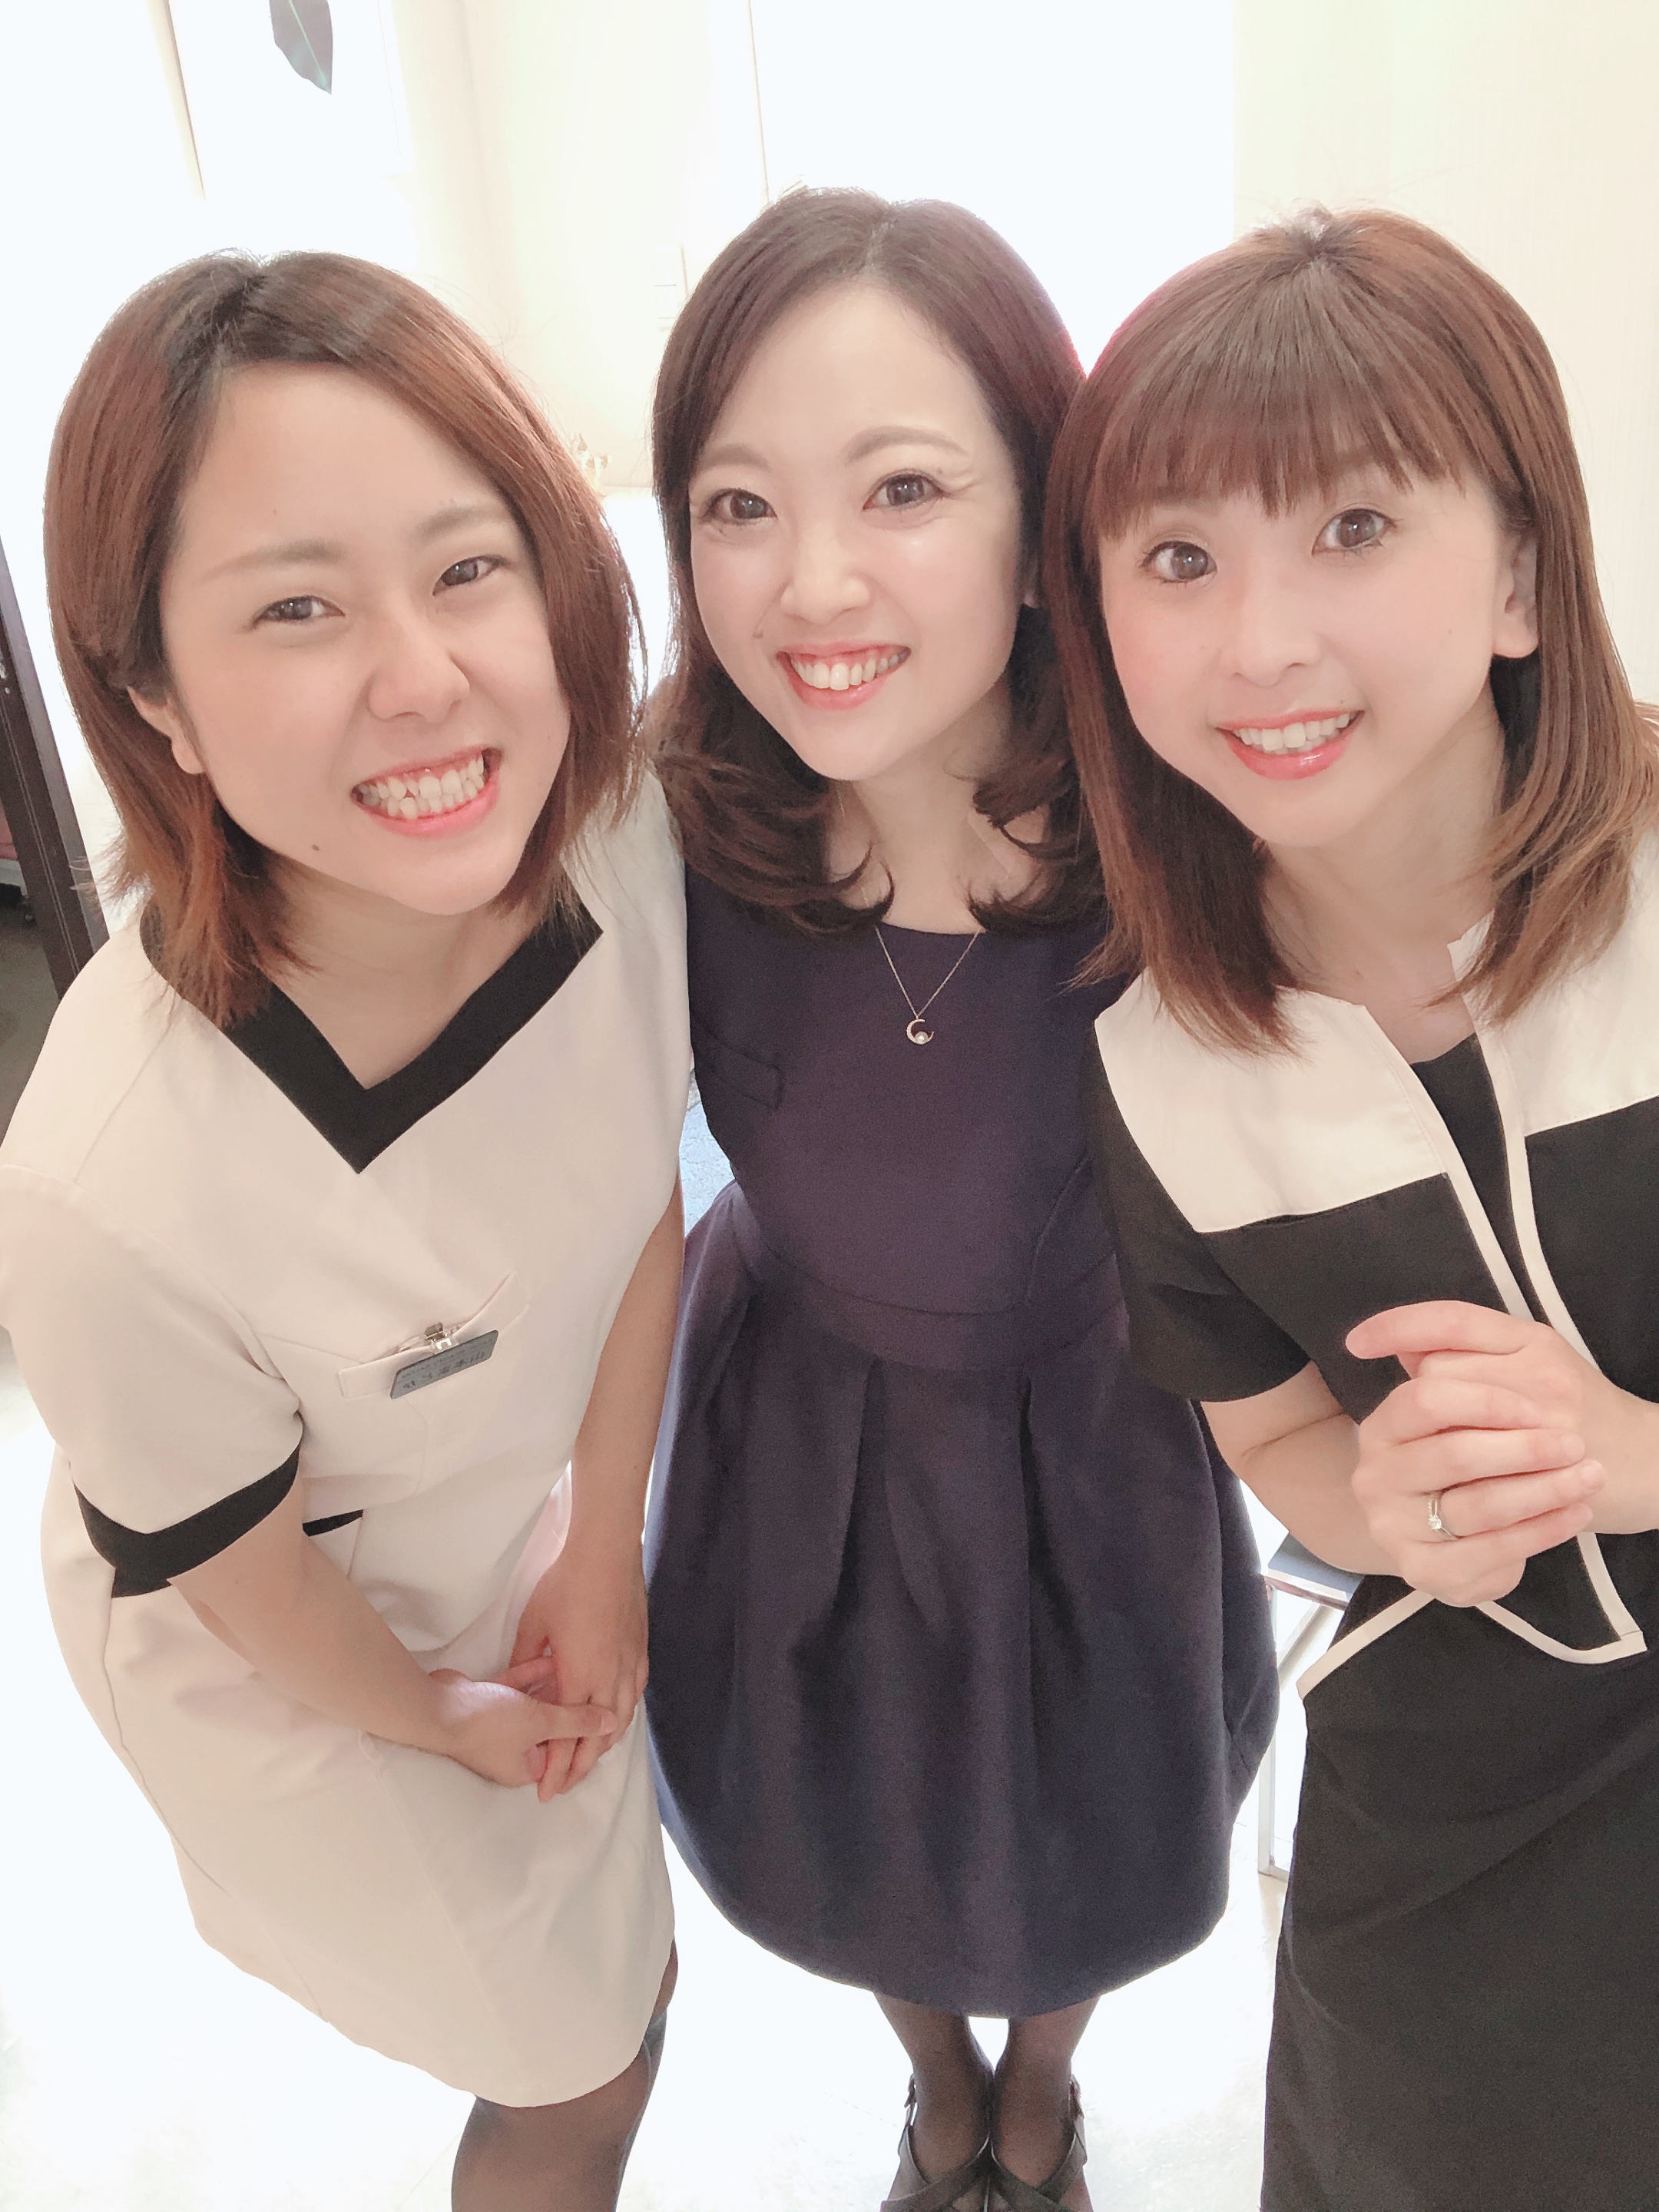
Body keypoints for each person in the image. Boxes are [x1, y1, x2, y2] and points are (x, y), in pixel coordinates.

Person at [0, 253, 689, 2212]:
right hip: (298, 1653)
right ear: (153, 694)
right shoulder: (106, 1183)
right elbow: (245, 1580)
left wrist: (603, 1542)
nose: (423, 677)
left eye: (469, 568)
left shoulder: (616, 838)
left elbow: (639, 1191)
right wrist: (443, 1716)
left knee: (633, 1975)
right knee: (575, 2060)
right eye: (297, 607)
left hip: (509, 1528)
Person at [642, 188, 1277, 2212]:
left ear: (1039, 515)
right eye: (738, 506)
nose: (812, 581)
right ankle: (933, 2083)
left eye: (903, 489)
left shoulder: (1177, 824)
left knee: (1090, 1824)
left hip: (1091, 1432)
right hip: (795, 1433)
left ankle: (1041, 2090)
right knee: (854, 1823)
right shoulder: (676, 828)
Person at [1047, 204, 1659, 2210]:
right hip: (1450, 1815)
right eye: (1179, 559)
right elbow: (1277, 1430)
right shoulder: (1162, 1064)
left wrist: (1631, 1453)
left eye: (1357, 528)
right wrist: (1378, 1508)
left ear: (1522, 573)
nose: (1262, 644)